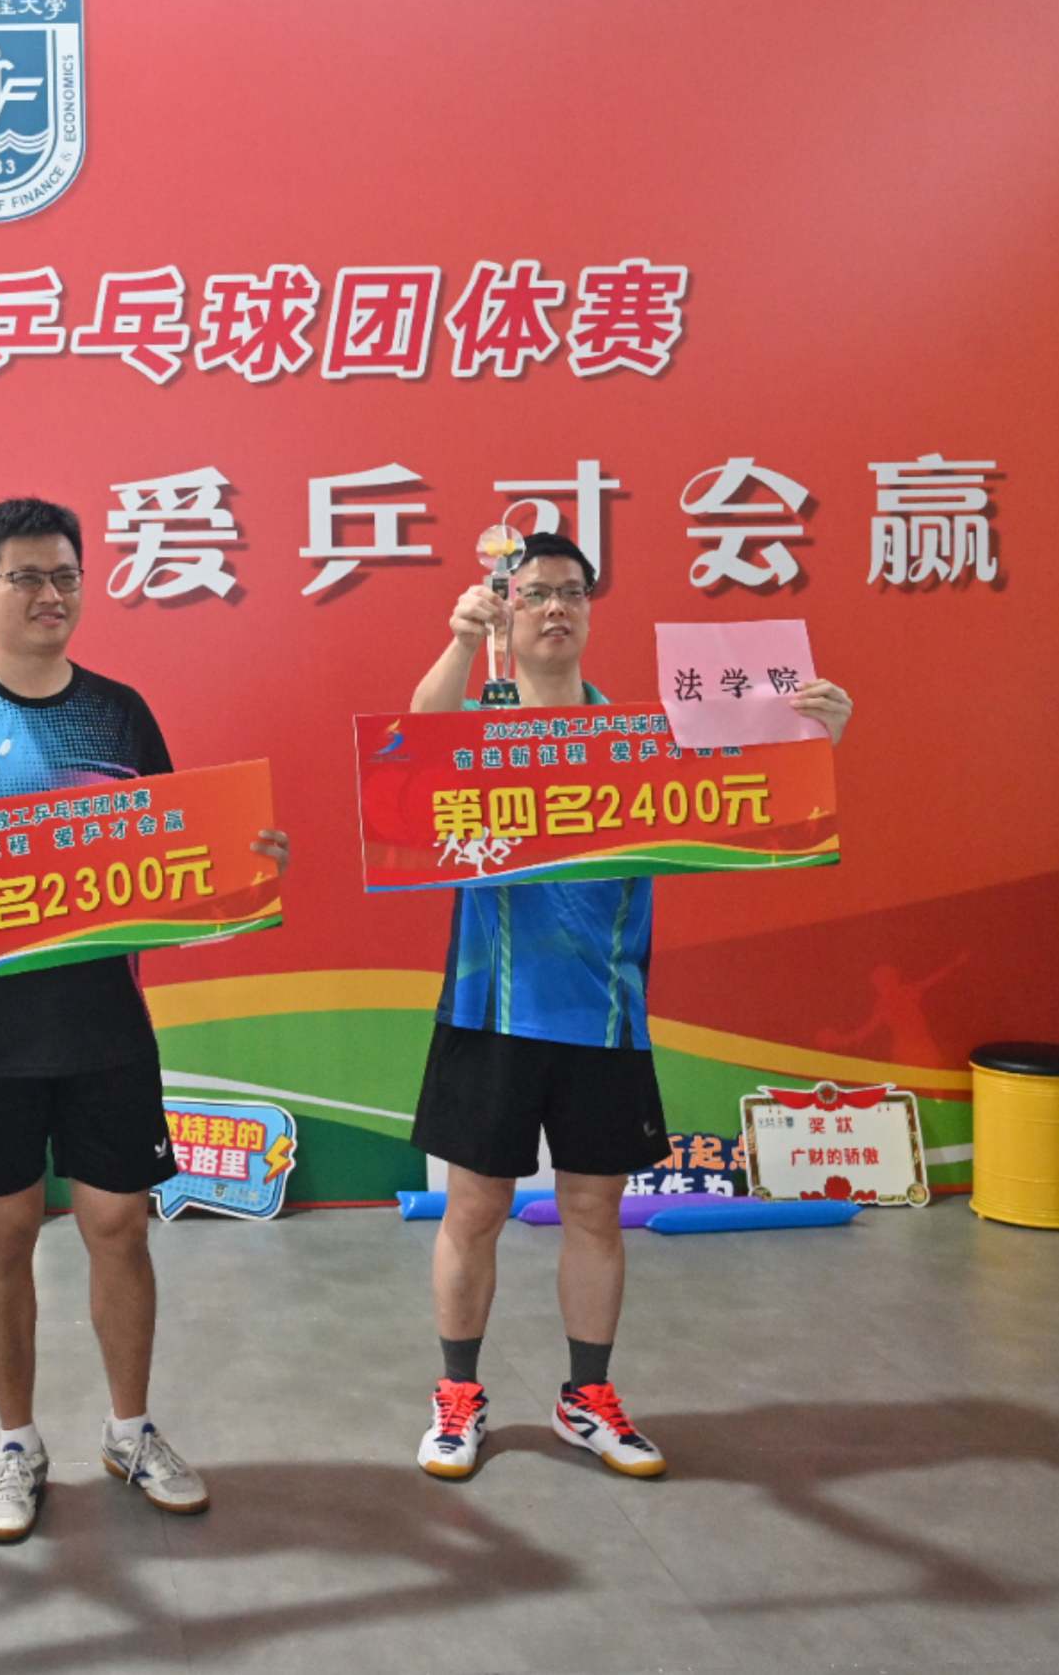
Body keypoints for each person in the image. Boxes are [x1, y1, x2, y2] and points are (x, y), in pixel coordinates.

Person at [0, 497, 290, 1543]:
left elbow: (180, 850)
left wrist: (248, 862)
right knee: (5, 1229)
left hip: (105, 1019)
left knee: (118, 1225)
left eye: (65, 575)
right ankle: (17, 1443)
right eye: (25, 577)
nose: (49, 594)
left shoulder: (118, 712)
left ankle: (130, 1428)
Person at [405, 532, 853, 1481]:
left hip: (604, 1015)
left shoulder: (646, 737)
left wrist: (821, 739)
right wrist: (460, 642)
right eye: (534, 593)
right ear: (506, 607)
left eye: (572, 592)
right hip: (488, 1009)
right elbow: (406, 753)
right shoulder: (475, 720)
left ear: (589, 609)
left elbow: (755, 796)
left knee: (595, 1210)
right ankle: (458, 1396)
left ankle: (587, 1398)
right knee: (475, 1208)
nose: (554, 608)